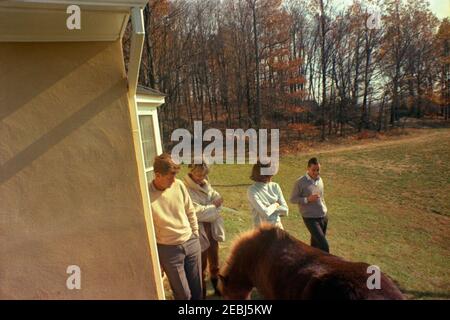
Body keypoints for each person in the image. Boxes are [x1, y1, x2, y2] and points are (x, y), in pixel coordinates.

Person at [148, 153, 202, 300]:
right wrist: (157, 258)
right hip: (169, 251)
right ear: (158, 175)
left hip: (191, 243)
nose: (174, 180)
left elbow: (190, 210)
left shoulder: (178, 185)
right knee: (183, 295)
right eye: (170, 177)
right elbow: (148, 230)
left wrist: (195, 234)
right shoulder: (146, 195)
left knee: (197, 292)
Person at [183, 163, 225, 298]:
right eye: (198, 175)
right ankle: (202, 293)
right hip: (199, 231)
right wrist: (214, 206)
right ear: (191, 172)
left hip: (211, 229)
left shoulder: (205, 184)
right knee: (200, 265)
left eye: (204, 175)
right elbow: (196, 212)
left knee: (215, 262)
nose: (201, 178)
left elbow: (216, 196)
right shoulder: (186, 189)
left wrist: (210, 207)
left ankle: (218, 287)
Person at [290, 157, 329, 253]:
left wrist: (324, 210)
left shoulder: (320, 180)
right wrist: (307, 199)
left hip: (323, 217)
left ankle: (312, 265)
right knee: (324, 246)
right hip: (310, 218)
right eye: (313, 170)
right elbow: (293, 199)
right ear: (307, 169)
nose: (316, 172)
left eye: (318, 170)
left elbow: (322, 197)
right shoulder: (300, 182)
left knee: (315, 246)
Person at [247, 161, 289, 229]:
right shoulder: (252, 190)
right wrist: (275, 205)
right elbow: (265, 213)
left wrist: (268, 208)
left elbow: (285, 210)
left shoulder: (275, 186)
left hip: (278, 228)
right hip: (261, 231)